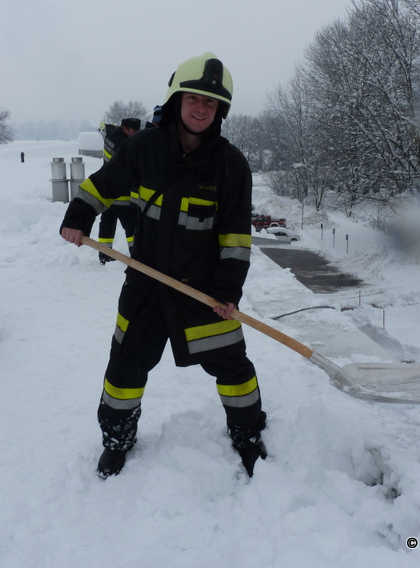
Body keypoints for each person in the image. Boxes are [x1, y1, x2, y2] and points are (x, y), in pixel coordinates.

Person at [60, 53, 267, 478]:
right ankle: (117, 439)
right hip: (146, 283)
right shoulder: (144, 148)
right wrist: (79, 216)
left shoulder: (231, 165)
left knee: (233, 366)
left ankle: (247, 434)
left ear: (220, 110)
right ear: (177, 100)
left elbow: (235, 239)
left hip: (205, 290)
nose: (201, 108)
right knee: (125, 365)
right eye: (193, 98)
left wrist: (228, 292)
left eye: (210, 102)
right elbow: (102, 185)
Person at [96, 118, 141, 264]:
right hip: (121, 194)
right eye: (134, 131)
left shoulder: (110, 137)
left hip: (107, 192)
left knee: (107, 222)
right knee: (132, 225)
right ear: (125, 129)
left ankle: (104, 254)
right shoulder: (123, 145)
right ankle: (136, 255)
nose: (136, 134)